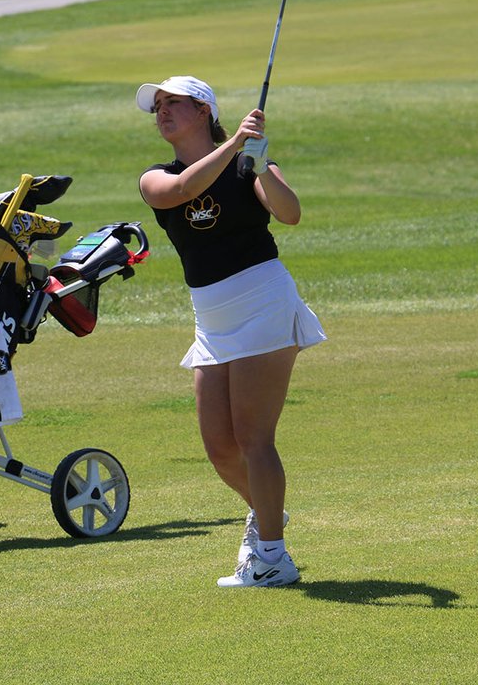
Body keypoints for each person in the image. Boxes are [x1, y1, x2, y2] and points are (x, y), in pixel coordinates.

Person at [135, 75, 326, 588]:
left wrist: (259, 163)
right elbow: (182, 191)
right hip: (212, 316)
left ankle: (271, 556)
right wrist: (236, 145)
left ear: (203, 111)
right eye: (157, 106)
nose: (161, 112)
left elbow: (290, 214)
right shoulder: (156, 176)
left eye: (172, 103)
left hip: (262, 299)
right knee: (220, 445)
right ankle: (267, 514)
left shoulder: (249, 164)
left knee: (253, 436)